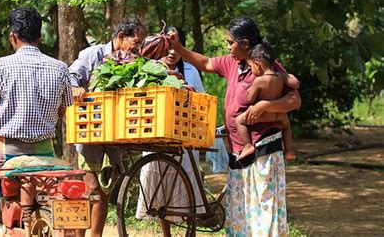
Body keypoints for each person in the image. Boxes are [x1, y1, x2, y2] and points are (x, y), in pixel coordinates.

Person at [168, 16, 301, 236]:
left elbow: (295, 101)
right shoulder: (233, 62)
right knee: (242, 209)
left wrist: (266, 105)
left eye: (231, 42)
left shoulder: (267, 65)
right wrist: (179, 48)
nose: (228, 47)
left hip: (263, 146)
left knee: (263, 207)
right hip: (238, 149)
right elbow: (207, 63)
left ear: (245, 44)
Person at [0, 7, 73, 237]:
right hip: (46, 154)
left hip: (5, 153)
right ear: (40, 37)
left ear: (13, 37)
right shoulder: (61, 69)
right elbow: (61, 111)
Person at [69, 17, 146, 237]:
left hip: (114, 135)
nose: (138, 48)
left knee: (104, 192)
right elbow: (71, 75)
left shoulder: (133, 61)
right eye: (136, 42)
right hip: (90, 132)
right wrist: (76, 88)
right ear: (121, 37)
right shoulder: (92, 54)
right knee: (90, 188)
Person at [136, 26, 205, 237]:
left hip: (184, 136)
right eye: (168, 47)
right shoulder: (149, 70)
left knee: (188, 184)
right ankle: (166, 233)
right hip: (157, 135)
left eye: (176, 47)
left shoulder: (191, 71)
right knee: (159, 189)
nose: (172, 53)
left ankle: (190, 231)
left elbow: (200, 100)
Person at [235, 42, 300, 160]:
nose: (251, 70)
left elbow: (250, 99)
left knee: (239, 121)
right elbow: (295, 84)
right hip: (279, 115)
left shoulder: (259, 81)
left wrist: (250, 91)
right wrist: (289, 76)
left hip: (263, 115)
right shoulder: (281, 76)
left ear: (257, 64)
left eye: (251, 67)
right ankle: (289, 151)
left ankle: (248, 146)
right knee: (287, 126)